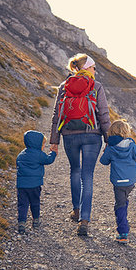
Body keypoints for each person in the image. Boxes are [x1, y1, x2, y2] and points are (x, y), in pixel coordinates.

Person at [49, 53, 110, 236]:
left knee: (75, 170)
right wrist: (108, 139)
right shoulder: (96, 86)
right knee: (88, 175)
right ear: (87, 68)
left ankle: (76, 210)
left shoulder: (64, 86)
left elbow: (56, 115)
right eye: (93, 67)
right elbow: (104, 115)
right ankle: (84, 219)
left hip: (69, 135)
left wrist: (54, 141)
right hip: (92, 136)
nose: (94, 70)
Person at [99, 120, 136, 243]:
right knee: (123, 201)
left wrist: (105, 150)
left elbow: (103, 161)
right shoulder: (132, 146)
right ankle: (124, 220)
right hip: (130, 182)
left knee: (119, 205)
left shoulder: (111, 147)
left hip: (118, 183)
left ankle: (123, 232)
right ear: (126, 132)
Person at [16, 130, 57, 234]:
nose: (43, 147)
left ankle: (21, 222)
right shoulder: (39, 155)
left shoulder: (21, 155)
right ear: (38, 144)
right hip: (35, 185)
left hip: (22, 185)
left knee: (22, 204)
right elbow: (48, 160)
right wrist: (53, 153)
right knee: (35, 202)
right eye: (42, 144)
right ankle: (36, 220)